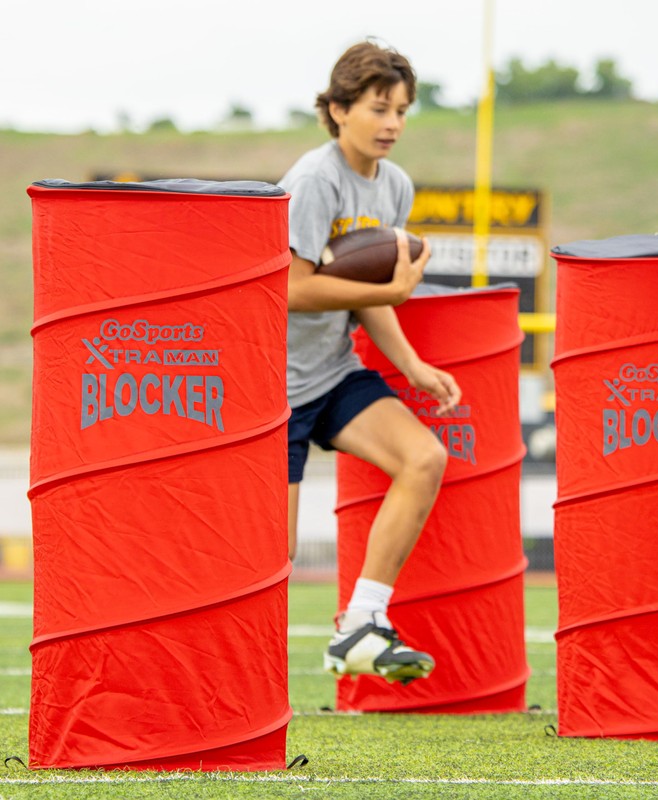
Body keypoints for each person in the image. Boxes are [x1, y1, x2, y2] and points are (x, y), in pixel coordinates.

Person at [278, 41, 461, 684]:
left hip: (330, 371)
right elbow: (291, 288)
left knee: (424, 458)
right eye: (379, 109)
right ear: (338, 109)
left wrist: (410, 365)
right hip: (273, 387)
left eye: (402, 111)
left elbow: (369, 294)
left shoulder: (396, 185)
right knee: (275, 554)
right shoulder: (313, 180)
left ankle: (361, 622)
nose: (392, 124)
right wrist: (392, 292)